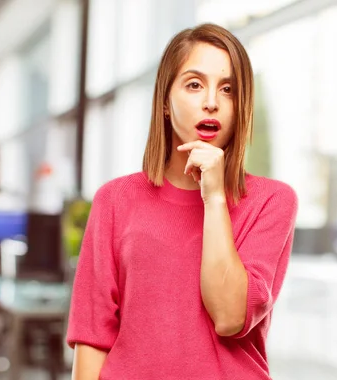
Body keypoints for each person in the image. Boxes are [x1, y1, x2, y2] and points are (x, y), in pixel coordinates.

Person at [67, 23, 298, 380]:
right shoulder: (114, 200)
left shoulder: (272, 201)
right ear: (164, 102)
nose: (211, 102)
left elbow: (230, 316)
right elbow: (92, 338)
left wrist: (215, 196)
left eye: (228, 89)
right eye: (194, 85)